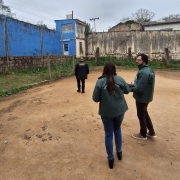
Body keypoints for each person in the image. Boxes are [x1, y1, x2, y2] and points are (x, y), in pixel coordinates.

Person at [92, 62, 130, 169]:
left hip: (106, 112)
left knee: (108, 134)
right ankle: (119, 152)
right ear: (114, 69)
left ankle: (110, 159)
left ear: (104, 70)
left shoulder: (100, 81)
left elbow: (95, 99)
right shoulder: (120, 79)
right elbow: (127, 90)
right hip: (119, 111)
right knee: (117, 129)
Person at [129, 53, 157, 140]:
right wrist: (133, 85)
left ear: (144, 61)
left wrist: (128, 89)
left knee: (141, 114)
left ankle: (143, 134)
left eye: (139, 60)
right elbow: (142, 84)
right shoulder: (148, 70)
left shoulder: (144, 72)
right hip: (146, 96)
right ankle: (151, 132)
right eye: (136, 59)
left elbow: (139, 89)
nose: (136, 61)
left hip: (142, 97)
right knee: (144, 113)